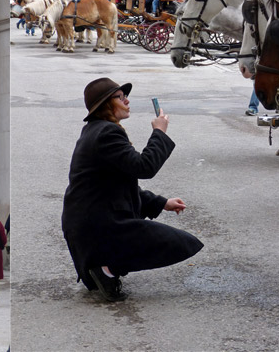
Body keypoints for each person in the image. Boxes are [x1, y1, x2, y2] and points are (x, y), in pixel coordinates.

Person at [62, 77, 203, 302]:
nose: (127, 101)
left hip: (90, 226)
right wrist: (160, 133)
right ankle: (106, 268)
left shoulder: (98, 130)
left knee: (178, 242)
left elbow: (117, 185)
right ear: (106, 105)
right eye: (120, 97)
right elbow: (144, 167)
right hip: (97, 227)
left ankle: (103, 265)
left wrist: (161, 203)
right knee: (178, 243)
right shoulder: (106, 133)